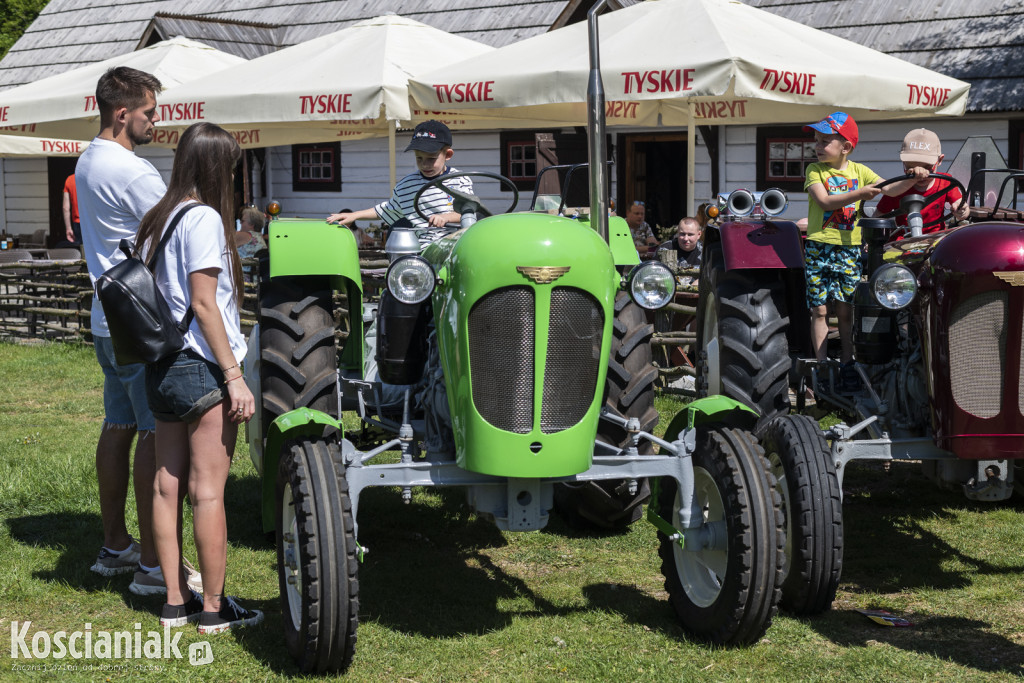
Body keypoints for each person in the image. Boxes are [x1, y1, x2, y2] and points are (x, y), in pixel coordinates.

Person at [76, 66, 202, 596]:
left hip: (109, 316)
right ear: (122, 113)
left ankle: (115, 545)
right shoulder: (132, 171)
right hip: (143, 322)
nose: (157, 120)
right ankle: (154, 565)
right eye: (150, 111)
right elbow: (179, 229)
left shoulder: (87, 159)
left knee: (119, 425)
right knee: (156, 433)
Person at [137, 122, 262, 633]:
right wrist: (234, 376)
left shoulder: (159, 217)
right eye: (233, 168)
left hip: (161, 366)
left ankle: (172, 602)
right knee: (207, 491)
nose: (236, 178)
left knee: (167, 488)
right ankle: (212, 608)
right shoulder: (205, 217)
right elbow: (204, 304)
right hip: (202, 366)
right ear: (218, 167)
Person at [802, 111, 882, 394]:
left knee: (846, 310)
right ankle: (822, 365)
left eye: (825, 141)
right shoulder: (815, 171)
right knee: (820, 309)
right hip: (819, 245)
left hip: (849, 247)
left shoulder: (860, 172)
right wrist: (861, 195)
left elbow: (888, 187)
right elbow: (824, 202)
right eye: (816, 140)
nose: (817, 146)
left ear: (845, 147)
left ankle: (848, 363)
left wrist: (915, 175)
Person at [325, 120, 473, 246]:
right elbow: (386, 209)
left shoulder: (460, 180)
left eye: (431, 159)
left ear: (447, 155)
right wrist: (355, 215)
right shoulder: (406, 186)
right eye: (419, 158)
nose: (424, 164)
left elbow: (468, 212)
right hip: (426, 248)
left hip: (459, 243)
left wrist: (446, 217)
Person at [875, 128, 969, 232]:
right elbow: (878, 215)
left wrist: (961, 211)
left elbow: (961, 205)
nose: (919, 173)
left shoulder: (945, 182)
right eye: (911, 167)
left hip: (934, 240)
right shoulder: (897, 188)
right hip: (903, 241)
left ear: (939, 160)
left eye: (927, 167)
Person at [62, 174, 81, 245]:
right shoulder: (92, 178)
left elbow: (65, 207)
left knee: (80, 249)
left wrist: (68, 228)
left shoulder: (70, 179)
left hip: (77, 222)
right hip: (92, 221)